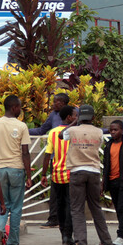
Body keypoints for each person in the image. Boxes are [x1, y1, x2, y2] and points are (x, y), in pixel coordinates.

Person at [59, 105, 114, 245]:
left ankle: (80, 244)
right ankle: (107, 242)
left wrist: (73, 123)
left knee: (77, 209)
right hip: (94, 172)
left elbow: (60, 135)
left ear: (78, 117)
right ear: (93, 118)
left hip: (77, 172)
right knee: (95, 206)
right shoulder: (98, 132)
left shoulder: (72, 130)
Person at [0, 95, 32, 245]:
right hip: (16, 170)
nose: (21, 110)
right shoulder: (22, 126)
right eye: (19, 107)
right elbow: (25, 153)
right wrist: (29, 176)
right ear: (14, 108)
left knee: (1, 206)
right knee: (16, 208)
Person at [31, 93, 70, 229]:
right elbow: (42, 130)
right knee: (55, 192)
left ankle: (68, 221)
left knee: (69, 193)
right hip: (56, 160)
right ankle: (54, 219)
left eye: (56, 102)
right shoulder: (53, 115)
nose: (54, 104)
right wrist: (24, 130)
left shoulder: (73, 113)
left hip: (71, 161)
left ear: (64, 102)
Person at [41, 105, 76, 245]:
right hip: (71, 174)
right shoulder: (74, 132)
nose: (76, 117)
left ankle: (63, 234)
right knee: (70, 205)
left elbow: (47, 154)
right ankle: (69, 235)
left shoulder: (53, 133)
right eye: (74, 115)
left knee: (60, 205)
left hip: (57, 174)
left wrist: (44, 174)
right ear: (69, 117)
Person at [102, 120, 123, 245]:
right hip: (112, 181)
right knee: (118, 208)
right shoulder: (108, 145)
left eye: (116, 130)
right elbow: (106, 166)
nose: (113, 132)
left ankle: (122, 234)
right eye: (111, 130)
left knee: (121, 207)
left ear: (122, 130)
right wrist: (104, 183)